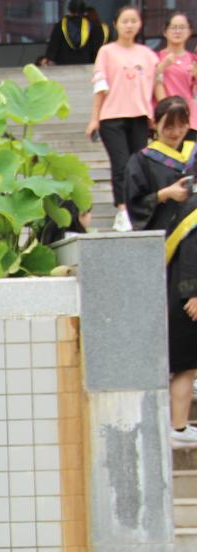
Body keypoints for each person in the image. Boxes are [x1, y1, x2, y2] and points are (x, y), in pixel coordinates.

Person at [123, 96, 197, 447]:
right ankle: (175, 426)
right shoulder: (143, 161)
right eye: (170, 125)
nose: (176, 131)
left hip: (192, 256)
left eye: (182, 124)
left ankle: (177, 425)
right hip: (166, 260)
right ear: (155, 124)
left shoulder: (194, 153)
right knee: (181, 351)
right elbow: (135, 206)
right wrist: (164, 194)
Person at [88, 5, 160, 231]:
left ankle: (139, 208)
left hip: (140, 116)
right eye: (125, 21)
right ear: (116, 24)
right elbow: (100, 86)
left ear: (140, 24)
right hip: (112, 117)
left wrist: (159, 116)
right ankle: (123, 210)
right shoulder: (106, 52)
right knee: (121, 165)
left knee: (139, 165)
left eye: (133, 21)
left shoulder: (148, 55)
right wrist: (94, 118)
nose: (129, 25)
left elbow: (156, 86)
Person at [37, 0, 107, 66]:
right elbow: (96, 47)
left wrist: (49, 58)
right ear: (83, 11)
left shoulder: (60, 25)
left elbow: (54, 45)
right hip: (86, 63)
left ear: (69, 10)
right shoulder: (91, 25)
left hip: (64, 64)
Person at [156, 11, 197, 115]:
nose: (178, 31)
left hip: (189, 115)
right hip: (165, 115)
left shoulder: (194, 59)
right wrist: (162, 66)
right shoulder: (155, 58)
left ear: (190, 31)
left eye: (182, 28)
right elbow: (150, 83)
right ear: (165, 32)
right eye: (173, 27)